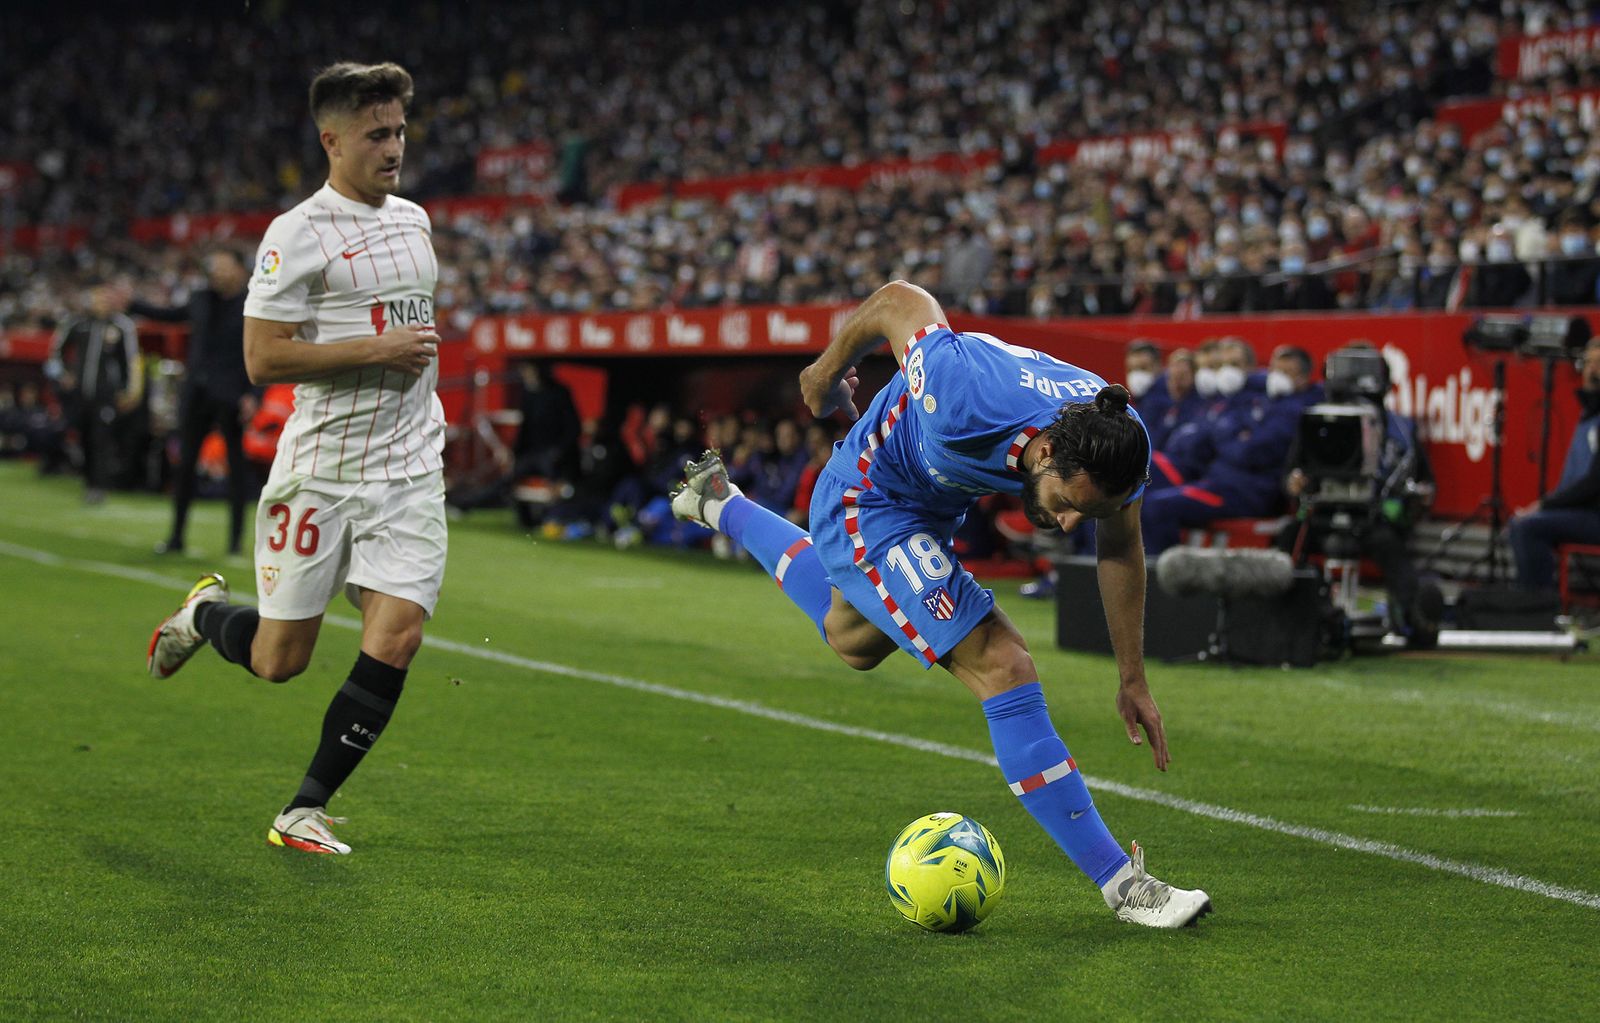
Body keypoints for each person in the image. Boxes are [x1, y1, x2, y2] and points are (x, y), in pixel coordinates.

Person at [669, 280, 1210, 929]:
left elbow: (1120, 548)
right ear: (1042, 451)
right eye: (1065, 502)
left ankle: (721, 502)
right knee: (1003, 664)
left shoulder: (1121, 446)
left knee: (853, 639)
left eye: (1083, 513)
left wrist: (1132, 678)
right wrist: (826, 369)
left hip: (931, 502)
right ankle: (1124, 884)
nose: (1069, 524)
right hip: (867, 495)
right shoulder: (960, 396)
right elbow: (901, 300)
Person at [146, 61, 446, 856]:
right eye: (377, 134)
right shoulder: (296, 234)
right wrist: (376, 347)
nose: (394, 147)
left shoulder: (415, 219)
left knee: (400, 633)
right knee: (281, 659)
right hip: (322, 470)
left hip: (410, 466)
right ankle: (202, 616)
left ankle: (303, 809)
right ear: (332, 140)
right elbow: (261, 359)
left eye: (401, 131)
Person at [1278, 344, 1444, 648]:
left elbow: (1426, 480)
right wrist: (1295, 483)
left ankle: (1412, 621)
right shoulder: (1319, 422)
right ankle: (1285, 618)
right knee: (1289, 536)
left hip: (1373, 517)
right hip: (1322, 512)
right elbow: (1291, 472)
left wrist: (1416, 497)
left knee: (1388, 546)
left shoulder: (1400, 430)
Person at [130, 248, 256, 556]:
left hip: (231, 395)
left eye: (224, 266)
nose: (217, 272)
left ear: (241, 270)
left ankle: (235, 541)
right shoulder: (201, 298)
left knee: (236, 470)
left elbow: (259, 352)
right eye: (214, 266)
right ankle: (176, 537)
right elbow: (172, 315)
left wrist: (253, 393)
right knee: (184, 465)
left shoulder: (253, 303)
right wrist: (133, 304)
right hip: (196, 394)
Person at [1141, 344, 1323, 554]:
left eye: (1286, 372)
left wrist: (1233, 440)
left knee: (1156, 508)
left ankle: (1159, 581)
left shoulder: (1296, 411)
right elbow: (1221, 436)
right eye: (1275, 370)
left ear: (1303, 377)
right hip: (1220, 482)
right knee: (1145, 499)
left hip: (1247, 491)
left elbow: (1251, 451)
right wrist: (1236, 439)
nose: (1277, 377)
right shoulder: (1262, 401)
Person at [1509, 337, 1600, 589]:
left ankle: (1538, 608)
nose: (1591, 371)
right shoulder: (1587, 414)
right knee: (1519, 523)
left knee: (1528, 528)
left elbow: (1593, 484)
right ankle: (1530, 598)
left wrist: (1545, 504)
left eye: (1598, 364)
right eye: (1589, 363)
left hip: (1593, 515)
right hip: (1581, 511)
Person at [44, 281, 144, 503]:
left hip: (105, 394)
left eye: (105, 297)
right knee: (85, 438)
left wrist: (128, 390)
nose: (101, 302)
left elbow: (130, 360)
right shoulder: (76, 323)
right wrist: (63, 375)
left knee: (102, 438)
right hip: (80, 394)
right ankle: (89, 481)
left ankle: (99, 485)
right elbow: (55, 353)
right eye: (97, 297)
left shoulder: (121, 326)